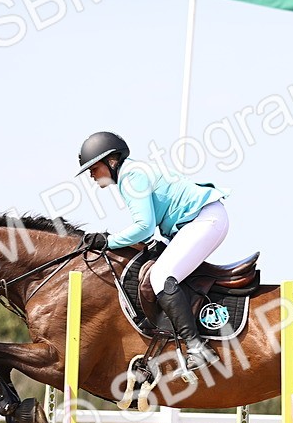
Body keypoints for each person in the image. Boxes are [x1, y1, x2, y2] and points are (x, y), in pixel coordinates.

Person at [76, 131, 226, 370]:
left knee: (160, 277)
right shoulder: (130, 174)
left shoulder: (131, 176)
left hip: (204, 220)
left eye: (94, 168)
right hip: (198, 221)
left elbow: (144, 228)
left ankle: (197, 347)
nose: (92, 175)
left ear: (111, 161)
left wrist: (108, 241)